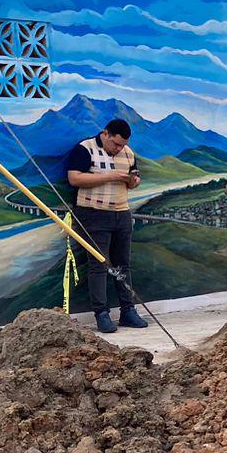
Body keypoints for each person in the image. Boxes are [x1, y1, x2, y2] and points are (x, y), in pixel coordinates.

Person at [66, 117, 146, 334]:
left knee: (123, 264)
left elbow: (136, 178)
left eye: (122, 145)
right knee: (98, 264)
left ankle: (128, 310)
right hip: (92, 213)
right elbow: (74, 179)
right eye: (115, 144)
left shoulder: (127, 152)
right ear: (105, 134)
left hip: (121, 212)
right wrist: (110, 176)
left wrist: (131, 181)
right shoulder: (85, 149)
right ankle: (101, 313)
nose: (119, 149)